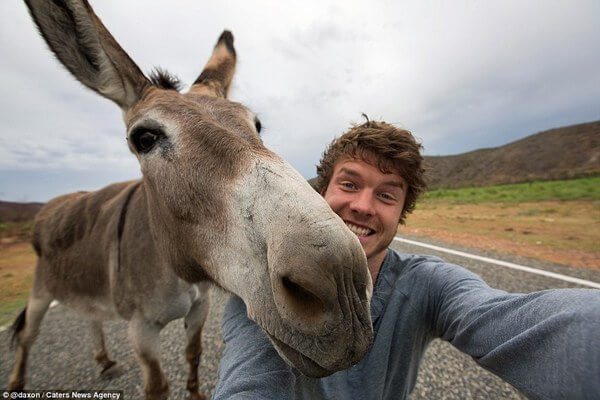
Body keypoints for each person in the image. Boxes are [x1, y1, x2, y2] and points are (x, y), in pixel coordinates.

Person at [213, 117, 600, 400]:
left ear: (402, 213)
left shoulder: (428, 284)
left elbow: (503, 320)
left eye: (386, 195)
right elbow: (250, 380)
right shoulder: (266, 287)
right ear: (320, 192)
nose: (362, 206)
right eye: (349, 184)